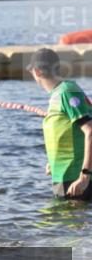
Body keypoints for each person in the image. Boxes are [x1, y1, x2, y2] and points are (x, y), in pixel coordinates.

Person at [28, 48, 92, 200]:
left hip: (76, 181)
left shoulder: (67, 91)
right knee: (60, 222)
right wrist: (54, 162)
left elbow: (90, 130)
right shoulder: (58, 94)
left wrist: (84, 176)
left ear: (37, 72)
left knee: (67, 221)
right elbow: (67, 131)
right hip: (64, 176)